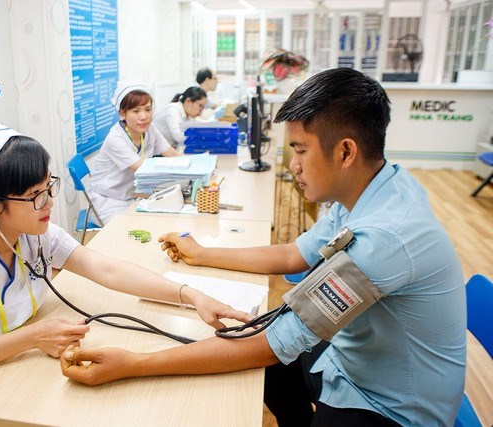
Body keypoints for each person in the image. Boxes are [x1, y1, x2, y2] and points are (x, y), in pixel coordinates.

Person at [60, 68, 467, 426]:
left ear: (345, 152)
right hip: (353, 356)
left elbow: (274, 344)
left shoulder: (385, 239)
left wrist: (135, 364)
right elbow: (294, 254)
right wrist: (203, 254)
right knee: (264, 362)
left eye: (300, 150)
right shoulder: (374, 188)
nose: (293, 165)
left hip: (389, 405)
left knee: (260, 350)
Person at [0, 120, 251, 426]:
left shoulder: (33, 233)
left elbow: (106, 269)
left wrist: (189, 295)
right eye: (35, 195)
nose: (49, 203)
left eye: (48, 187)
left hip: (15, 377)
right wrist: (32, 338)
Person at [89, 82, 179, 226]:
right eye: (136, 111)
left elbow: (173, 154)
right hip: (109, 201)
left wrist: (201, 165)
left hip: (134, 196)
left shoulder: (150, 130)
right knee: (134, 231)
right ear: (122, 113)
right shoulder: (116, 139)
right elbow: (145, 170)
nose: (144, 116)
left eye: (148, 109)